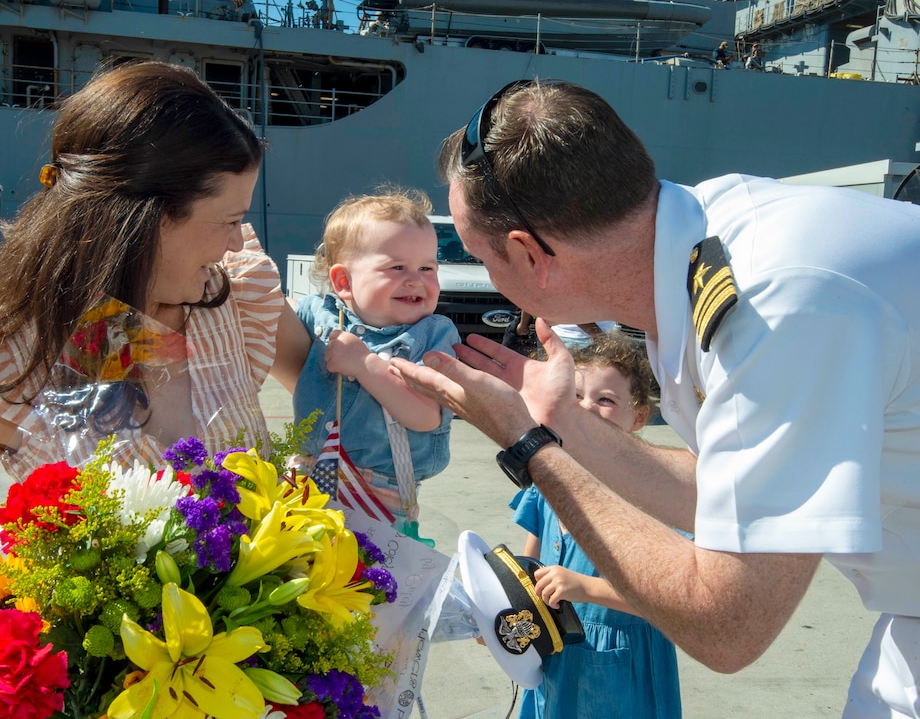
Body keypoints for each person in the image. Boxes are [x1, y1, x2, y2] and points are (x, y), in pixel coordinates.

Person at [389, 79, 920, 718]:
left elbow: (729, 624)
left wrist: (530, 448)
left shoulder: (776, 307)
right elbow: (727, 489)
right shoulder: (705, 237)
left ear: (530, 255)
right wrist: (563, 425)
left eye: (480, 257)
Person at [0, 61, 311, 695]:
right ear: (143, 219)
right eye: (226, 218)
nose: (237, 238)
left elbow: (326, 385)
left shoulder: (237, 294)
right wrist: (2, 698)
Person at [511, 333, 681, 718]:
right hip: (554, 655)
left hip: (620, 669)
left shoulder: (651, 496)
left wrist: (585, 587)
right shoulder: (547, 479)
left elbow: (670, 600)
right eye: (575, 395)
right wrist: (509, 616)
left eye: (605, 400)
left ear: (638, 416)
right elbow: (527, 565)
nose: (585, 407)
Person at [292, 187, 460, 527]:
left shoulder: (433, 335)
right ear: (343, 281)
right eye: (397, 267)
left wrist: (366, 365)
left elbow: (427, 416)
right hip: (306, 473)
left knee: (364, 577)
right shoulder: (320, 315)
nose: (416, 280)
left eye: (428, 268)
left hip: (381, 495)